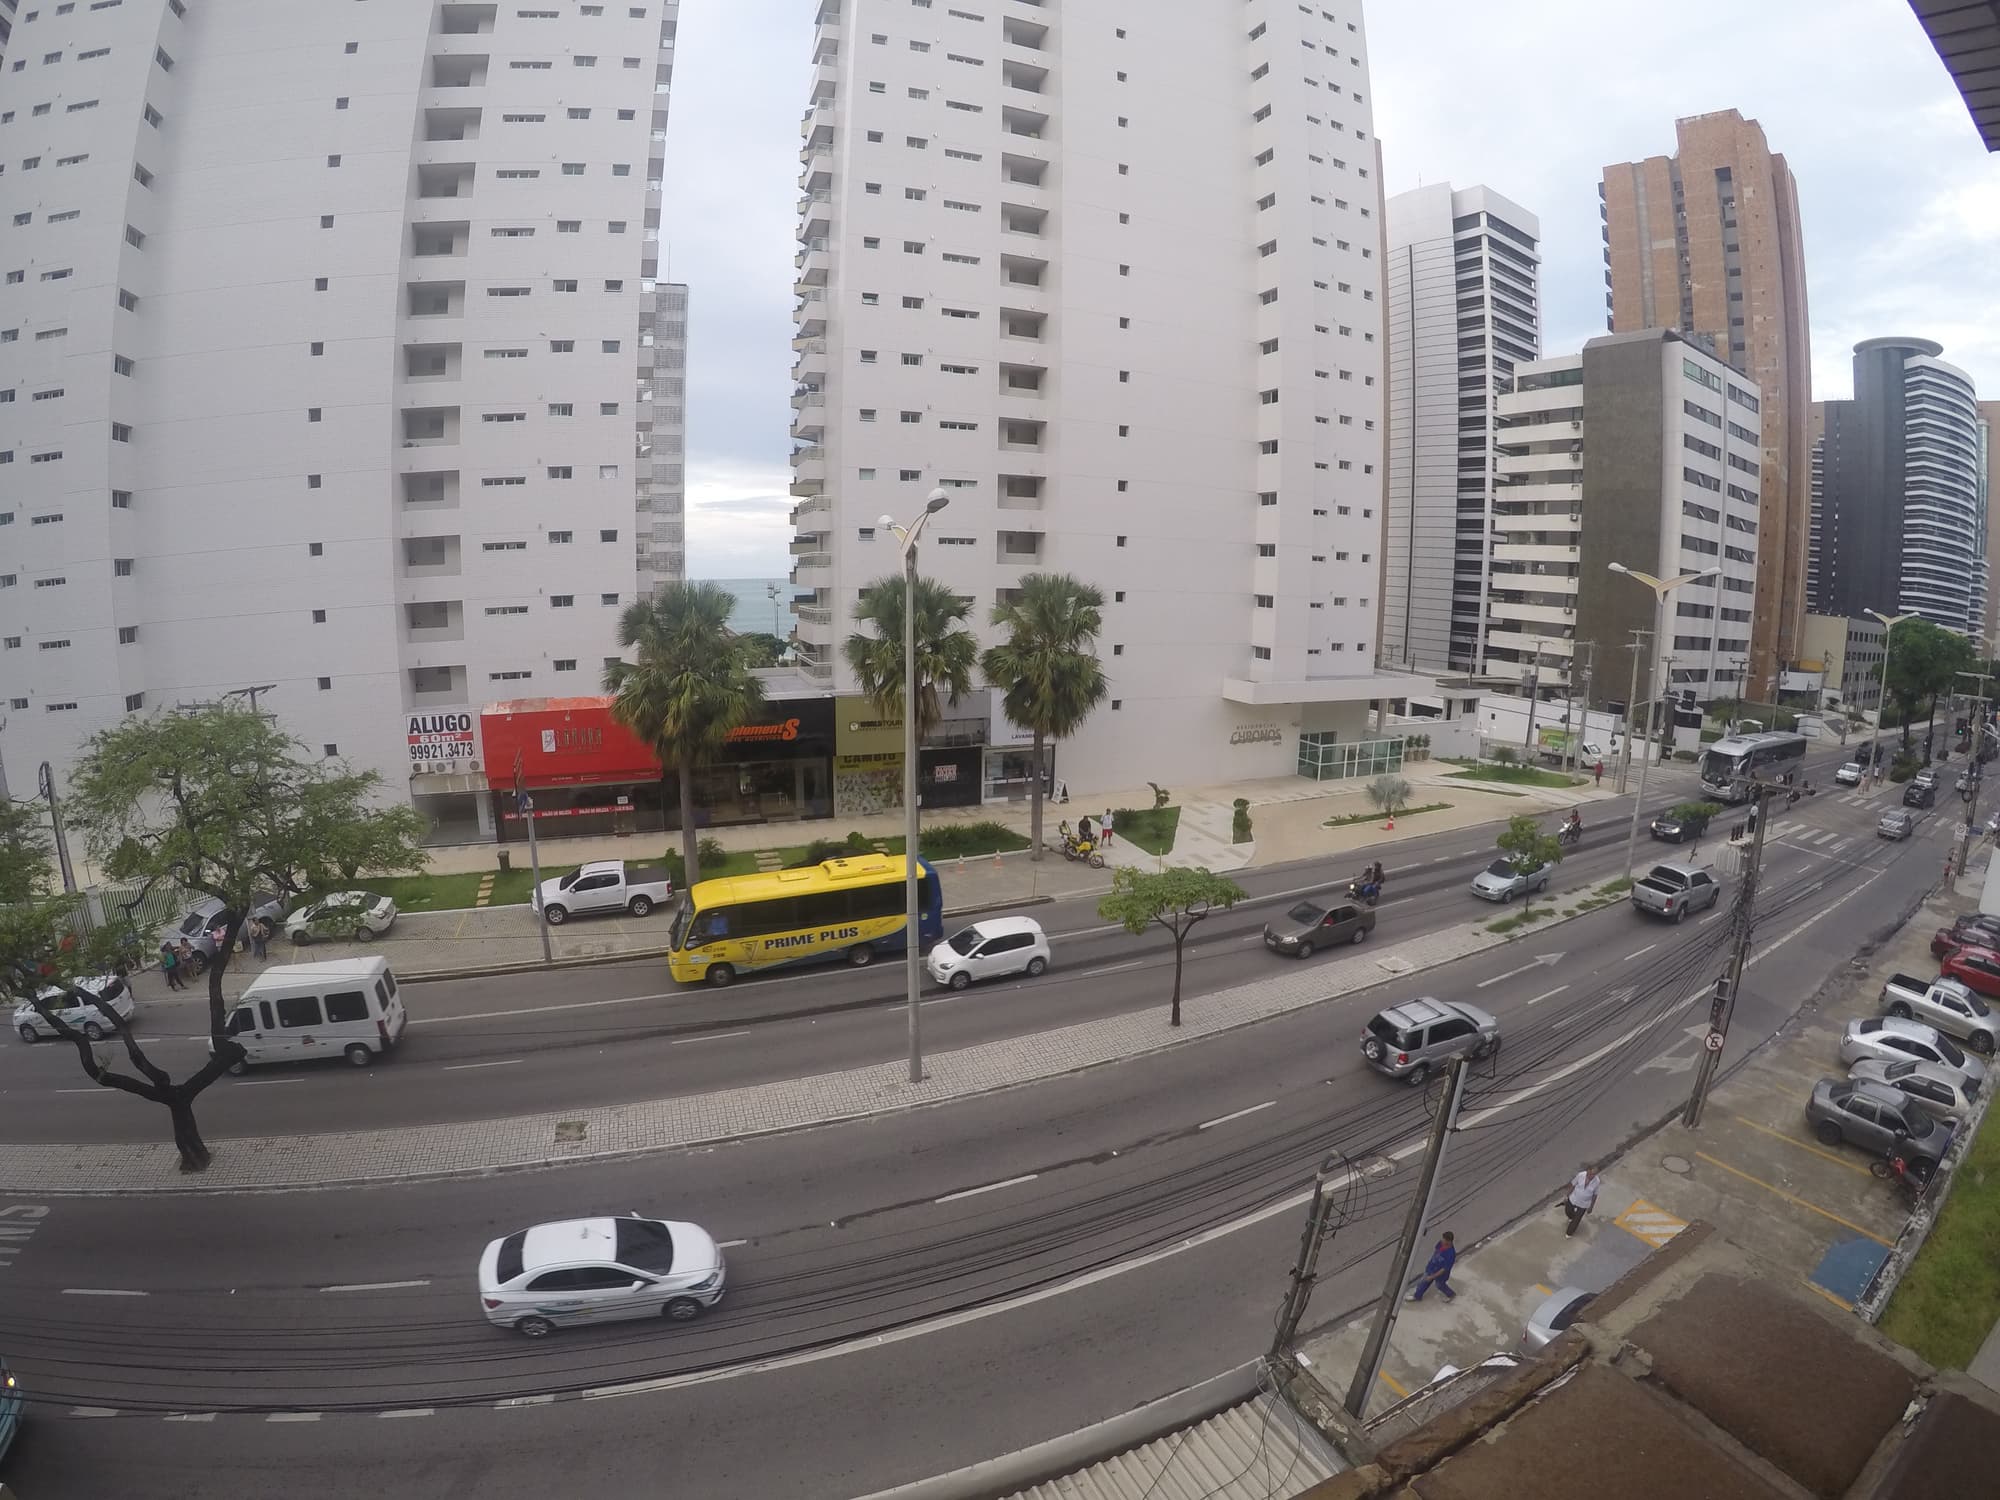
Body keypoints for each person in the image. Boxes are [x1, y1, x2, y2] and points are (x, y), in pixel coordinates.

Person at [1408, 1232, 1457, 1301]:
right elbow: (1436, 1251)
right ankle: (1417, 1296)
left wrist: (1432, 1276)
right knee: (1423, 1282)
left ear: (1449, 1241)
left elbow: (1443, 1269)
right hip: (1431, 1268)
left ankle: (1451, 1294)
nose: (1442, 1240)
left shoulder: (1451, 1254)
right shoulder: (1441, 1243)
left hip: (1441, 1275)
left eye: (1444, 1240)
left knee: (1440, 1285)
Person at [1565, 1166, 1602, 1237]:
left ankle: (1569, 1233)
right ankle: (1571, 1217)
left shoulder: (1597, 1182)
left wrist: (1591, 1206)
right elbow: (1573, 1185)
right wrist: (1567, 1196)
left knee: (1577, 1219)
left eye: (1594, 1174)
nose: (1592, 1176)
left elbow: (1595, 1195)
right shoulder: (1580, 1175)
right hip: (1574, 1198)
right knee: (1568, 1211)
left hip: (1584, 1203)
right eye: (1591, 1173)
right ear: (1588, 1171)